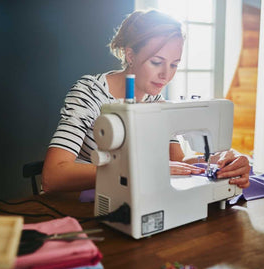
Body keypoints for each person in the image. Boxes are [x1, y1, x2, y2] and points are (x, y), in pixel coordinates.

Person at [42, 9, 250, 193]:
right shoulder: (90, 92)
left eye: (174, 65)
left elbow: (177, 162)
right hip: (80, 206)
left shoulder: (155, 100)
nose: (165, 75)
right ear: (130, 55)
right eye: (157, 62)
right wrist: (136, 171)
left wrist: (223, 159)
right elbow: (53, 175)